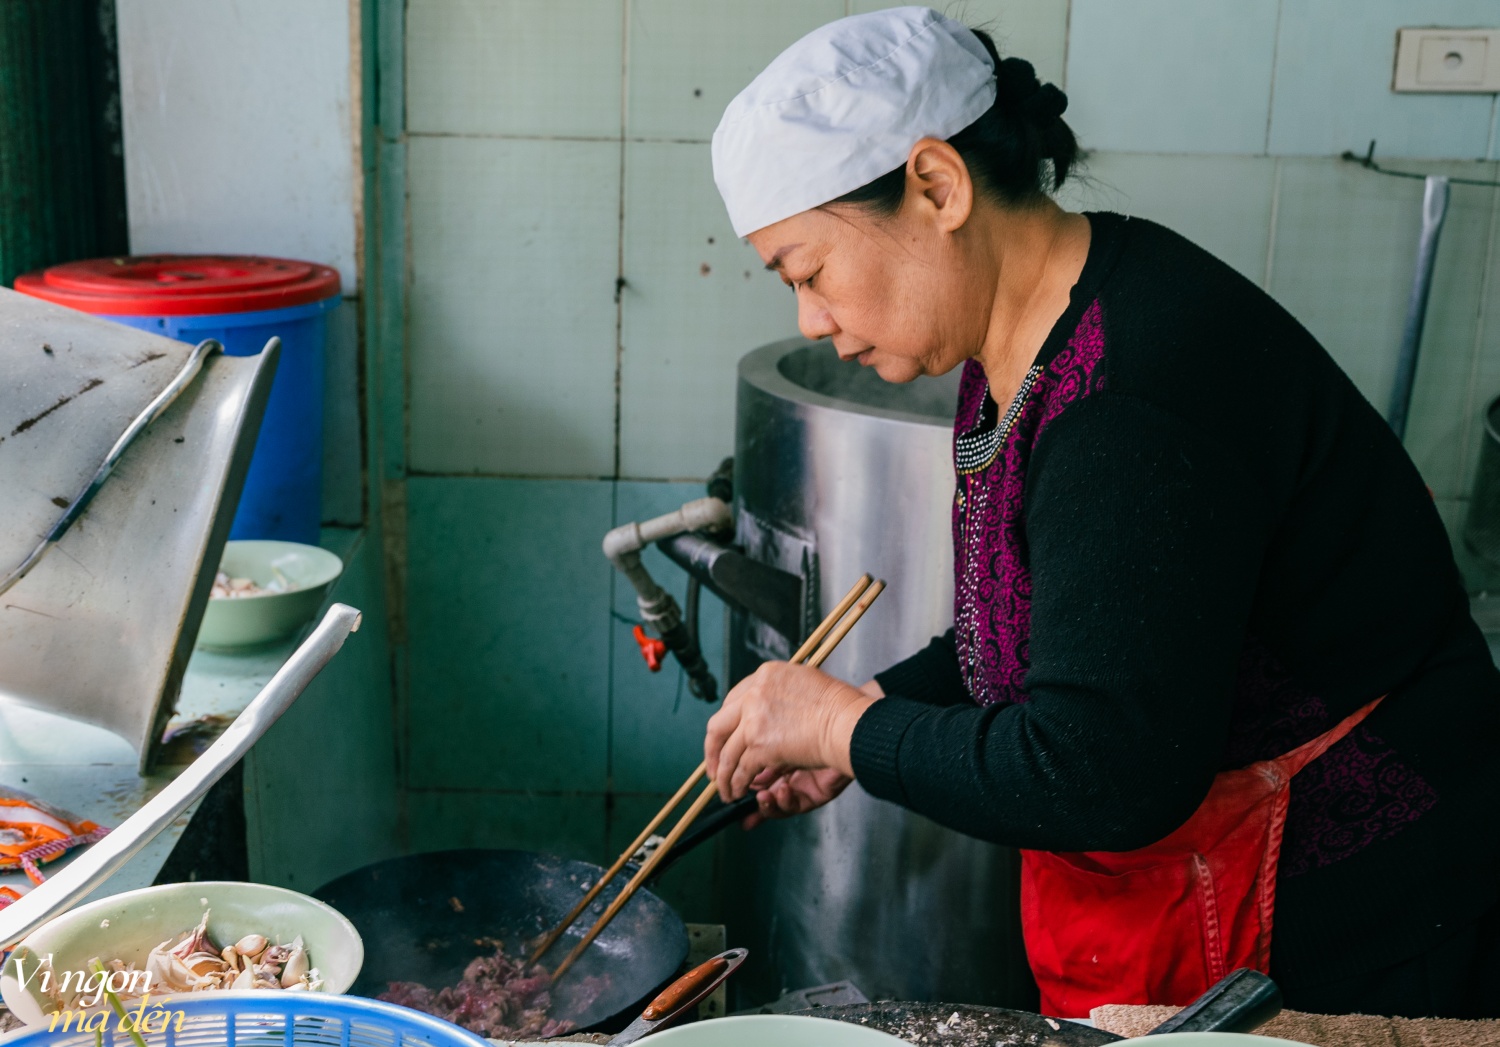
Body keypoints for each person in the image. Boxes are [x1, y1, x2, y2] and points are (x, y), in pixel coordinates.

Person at [701, 5, 1500, 1020]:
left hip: (1358, 915)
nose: (810, 318)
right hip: (1229, 871)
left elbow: (1102, 771)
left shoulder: (1135, 396)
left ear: (937, 186)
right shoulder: (1027, 331)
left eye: (807, 272)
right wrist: (851, 720)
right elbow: (1060, 622)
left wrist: (855, 729)